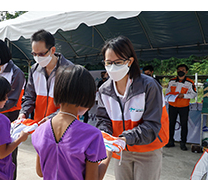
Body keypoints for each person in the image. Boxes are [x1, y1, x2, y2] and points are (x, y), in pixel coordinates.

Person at [96, 36, 169, 180]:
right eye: (108, 63)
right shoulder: (104, 90)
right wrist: (106, 137)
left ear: (129, 61)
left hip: (148, 149)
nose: (112, 67)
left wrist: (125, 138)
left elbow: (152, 125)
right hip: (121, 150)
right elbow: (103, 119)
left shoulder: (149, 86)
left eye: (117, 62)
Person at [32, 65, 111, 180]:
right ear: (85, 96)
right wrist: (108, 153)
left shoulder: (40, 129)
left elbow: (40, 172)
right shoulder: (92, 135)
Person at [0, 39, 26, 179]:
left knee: (9, 152)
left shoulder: (16, 72)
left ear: (3, 54)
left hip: (8, 116)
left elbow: (13, 100)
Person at [18, 29, 73, 123]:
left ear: (52, 50)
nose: (37, 57)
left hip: (63, 125)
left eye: (41, 54)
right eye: (34, 54)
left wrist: (50, 119)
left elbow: (71, 104)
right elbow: (29, 97)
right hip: (39, 125)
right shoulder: (34, 70)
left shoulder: (69, 70)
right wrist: (23, 113)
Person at [165, 64, 197, 150]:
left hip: (184, 107)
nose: (180, 71)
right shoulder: (171, 81)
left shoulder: (190, 83)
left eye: (183, 70)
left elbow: (194, 94)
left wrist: (184, 95)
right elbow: (167, 92)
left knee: (184, 125)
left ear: (186, 72)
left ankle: (183, 143)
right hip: (172, 106)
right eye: (179, 70)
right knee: (171, 124)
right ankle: (170, 141)